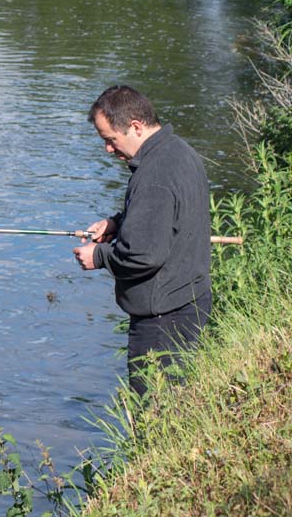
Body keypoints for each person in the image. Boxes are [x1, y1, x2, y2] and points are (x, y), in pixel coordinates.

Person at [73, 86, 211, 398]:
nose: (108, 149)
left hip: (163, 320)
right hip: (188, 302)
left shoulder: (153, 174)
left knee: (155, 415)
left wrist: (100, 256)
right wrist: (118, 223)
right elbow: (167, 215)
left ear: (136, 126)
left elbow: (143, 254)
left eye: (111, 139)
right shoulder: (178, 152)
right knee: (180, 406)